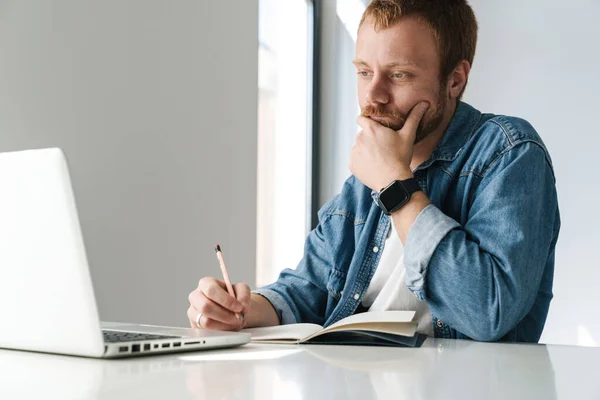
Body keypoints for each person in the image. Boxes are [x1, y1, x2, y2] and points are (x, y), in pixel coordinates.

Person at [186, 0, 560, 342]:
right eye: (365, 72)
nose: (373, 96)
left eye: (399, 75)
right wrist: (239, 311)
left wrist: (394, 186)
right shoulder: (364, 179)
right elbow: (306, 290)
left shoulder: (508, 154)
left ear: (455, 80)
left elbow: (487, 312)